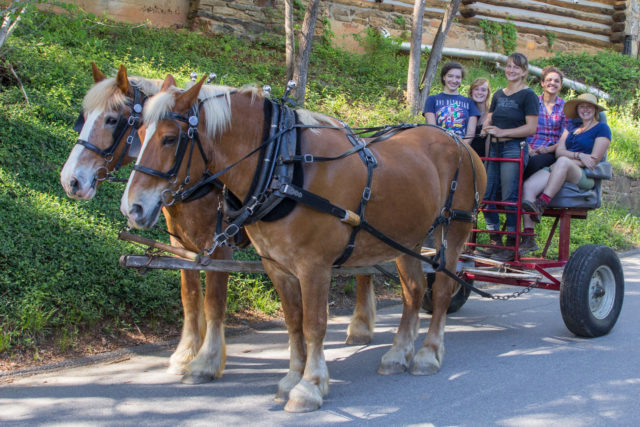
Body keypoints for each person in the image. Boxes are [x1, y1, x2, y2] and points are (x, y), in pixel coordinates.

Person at [519, 93, 611, 255]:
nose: (585, 109)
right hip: (560, 167)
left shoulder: (602, 128)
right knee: (528, 187)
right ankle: (528, 237)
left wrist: (570, 161)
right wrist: (578, 155)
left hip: (583, 175)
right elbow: (559, 151)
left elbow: (593, 161)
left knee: (562, 163)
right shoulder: (572, 128)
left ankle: (542, 203)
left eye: (589, 106)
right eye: (582, 106)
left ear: (595, 109)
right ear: (577, 110)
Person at [480, 52, 539, 261]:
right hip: (494, 148)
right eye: (508, 66)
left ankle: (511, 242)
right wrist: (486, 128)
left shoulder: (528, 95)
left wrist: (503, 133)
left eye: (516, 67)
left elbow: (531, 128)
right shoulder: (498, 94)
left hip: (514, 148)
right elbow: (489, 118)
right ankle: (495, 239)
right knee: (486, 195)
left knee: (509, 198)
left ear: (524, 71)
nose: (511, 70)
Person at [523, 66, 570, 179]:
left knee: (534, 163)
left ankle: (520, 194)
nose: (552, 83)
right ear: (542, 83)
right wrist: (528, 148)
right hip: (527, 147)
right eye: (549, 80)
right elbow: (522, 127)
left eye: (556, 81)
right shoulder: (532, 102)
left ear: (560, 86)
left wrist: (547, 150)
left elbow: (566, 138)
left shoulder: (566, 108)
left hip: (550, 151)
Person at [423, 61, 480, 142]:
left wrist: (461, 149)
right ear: (444, 77)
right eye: (450, 76)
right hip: (438, 146)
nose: (454, 80)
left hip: (462, 148)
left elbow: (470, 134)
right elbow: (432, 129)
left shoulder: (469, 103)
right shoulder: (432, 100)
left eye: (458, 77)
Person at [468, 77, 491, 157]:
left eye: (483, 90)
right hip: (466, 158)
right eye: (476, 89)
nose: (479, 92)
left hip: (483, 160)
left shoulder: (491, 114)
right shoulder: (465, 113)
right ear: (471, 92)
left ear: (488, 93)